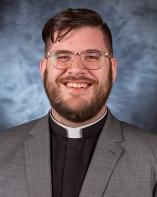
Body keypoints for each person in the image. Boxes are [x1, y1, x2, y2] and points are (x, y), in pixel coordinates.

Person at [0, 7, 157, 197]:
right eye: (63, 56)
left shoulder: (153, 156)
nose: (76, 69)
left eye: (91, 56)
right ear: (43, 69)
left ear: (112, 69)